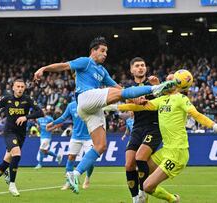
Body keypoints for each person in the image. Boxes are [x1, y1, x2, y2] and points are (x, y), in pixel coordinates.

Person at [33, 36, 179, 194]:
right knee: (120, 93)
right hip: (85, 97)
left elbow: (118, 87)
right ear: (93, 51)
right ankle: (155, 89)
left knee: (101, 146)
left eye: (106, 52)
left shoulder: (102, 71)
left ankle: (74, 174)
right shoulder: (85, 61)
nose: (105, 54)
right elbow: (64, 66)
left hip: (90, 109)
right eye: (102, 51)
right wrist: (44, 69)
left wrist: (135, 99)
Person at [114, 70, 217, 203]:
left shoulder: (181, 99)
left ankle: (172, 199)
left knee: (147, 186)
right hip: (166, 150)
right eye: (167, 80)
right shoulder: (162, 100)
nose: (168, 82)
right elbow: (140, 107)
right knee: (141, 173)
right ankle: (142, 198)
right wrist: (115, 107)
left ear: (178, 84)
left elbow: (196, 114)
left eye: (171, 80)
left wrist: (215, 126)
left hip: (177, 153)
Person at [0, 79, 44, 197]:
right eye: (18, 86)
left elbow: (41, 112)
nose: (20, 88)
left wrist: (26, 117)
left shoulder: (27, 99)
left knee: (6, 162)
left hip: (21, 135)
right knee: (17, 154)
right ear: (13, 88)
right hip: (9, 132)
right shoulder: (6, 99)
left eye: (22, 87)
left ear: (24, 88)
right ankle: (12, 184)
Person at [123, 57, 163, 203]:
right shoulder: (129, 89)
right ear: (132, 70)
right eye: (137, 66)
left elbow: (164, 100)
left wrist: (159, 86)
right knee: (129, 164)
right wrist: (134, 100)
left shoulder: (152, 83)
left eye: (143, 65)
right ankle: (135, 199)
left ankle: (142, 192)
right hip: (137, 128)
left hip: (153, 126)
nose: (140, 68)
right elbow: (128, 103)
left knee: (140, 157)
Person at [46, 100, 94, 190]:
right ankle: (68, 182)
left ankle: (87, 178)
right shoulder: (71, 105)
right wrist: (52, 123)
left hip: (89, 137)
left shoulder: (90, 102)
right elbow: (63, 118)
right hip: (76, 136)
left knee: (90, 160)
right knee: (71, 157)